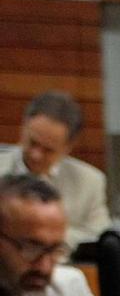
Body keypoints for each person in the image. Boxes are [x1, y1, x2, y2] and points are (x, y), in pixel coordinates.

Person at [1, 91, 108, 249]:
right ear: (23, 127)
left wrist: (45, 236)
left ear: (67, 148)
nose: (36, 155)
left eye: (48, 150)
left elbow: (100, 236)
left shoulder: (90, 181)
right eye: (32, 142)